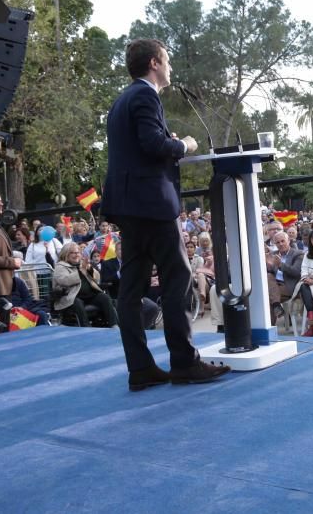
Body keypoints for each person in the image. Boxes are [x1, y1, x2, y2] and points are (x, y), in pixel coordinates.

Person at [101, 38, 229, 391]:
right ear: (155, 62)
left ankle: (140, 369)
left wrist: (162, 139)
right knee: (178, 278)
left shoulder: (121, 100)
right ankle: (185, 362)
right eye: (167, 61)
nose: (170, 68)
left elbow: (141, 144)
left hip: (129, 206)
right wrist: (184, 145)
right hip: (151, 205)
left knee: (129, 290)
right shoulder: (144, 95)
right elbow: (154, 145)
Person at [52, 242, 118, 327]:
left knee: (104, 297)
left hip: (89, 295)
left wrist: (90, 269)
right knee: (78, 303)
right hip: (72, 297)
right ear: (66, 254)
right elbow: (65, 280)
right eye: (73, 253)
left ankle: (114, 325)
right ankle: (86, 327)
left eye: (78, 252)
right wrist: (80, 271)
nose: (76, 255)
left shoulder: (82, 263)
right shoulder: (60, 266)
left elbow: (97, 278)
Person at [265, 230, 303, 324]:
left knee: (266, 295)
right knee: (268, 276)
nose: (281, 244)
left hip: (289, 286)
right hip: (274, 286)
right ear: (275, 244)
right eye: (278, 242)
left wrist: (281, 265)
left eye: (283, 241)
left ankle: (269, 328)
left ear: (288, 241)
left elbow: (296, 272)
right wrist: (269, 267)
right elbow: (270, 273)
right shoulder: (273, 254)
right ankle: (276, 305)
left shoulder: (298, 254)